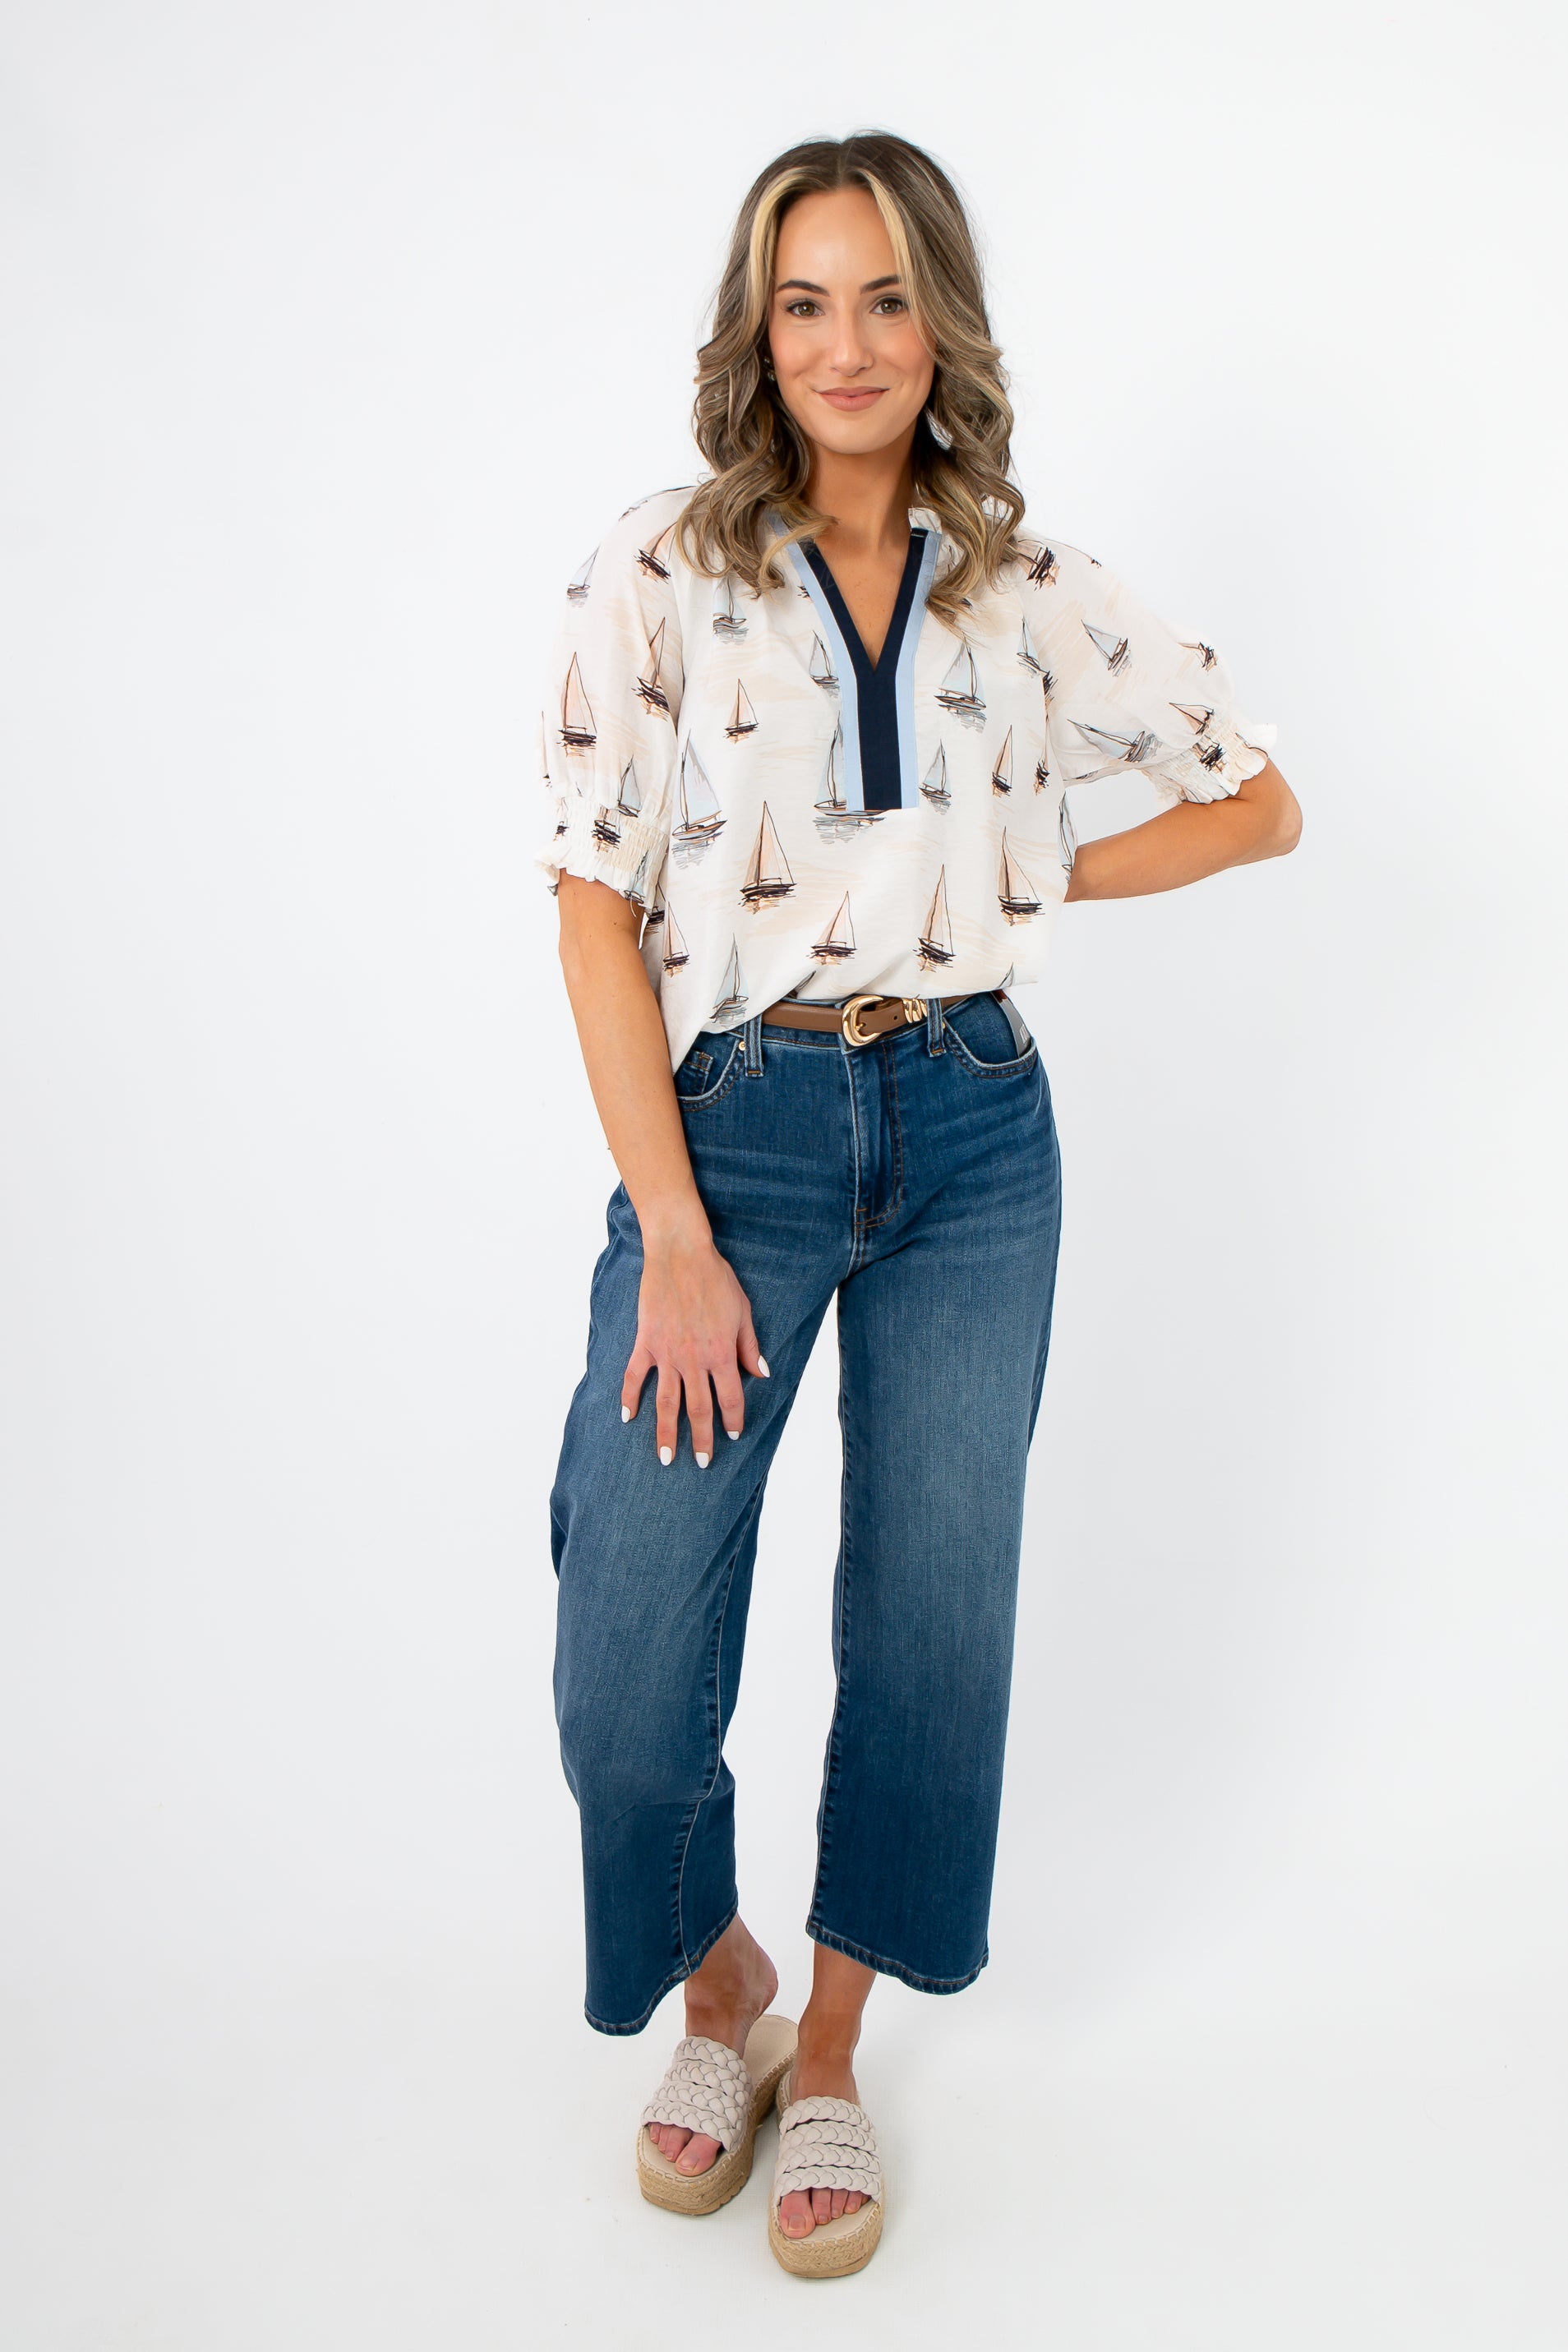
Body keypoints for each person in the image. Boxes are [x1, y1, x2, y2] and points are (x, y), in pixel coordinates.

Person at [534, 129, 1300, 2279]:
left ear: (940, 324)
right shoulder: (659, 568)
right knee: (623, 1649)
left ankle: (837, 2050)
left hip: (970, 1136)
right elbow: (591, 910)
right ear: (756, 328)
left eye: (885, 298)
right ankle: (721, 1994)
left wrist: (1028, 869)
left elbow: (1257, 805)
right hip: (731, 1137)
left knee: (934, 1612)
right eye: (805, 301)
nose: (847, 343)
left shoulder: (1024, 591)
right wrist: (676, 1232)